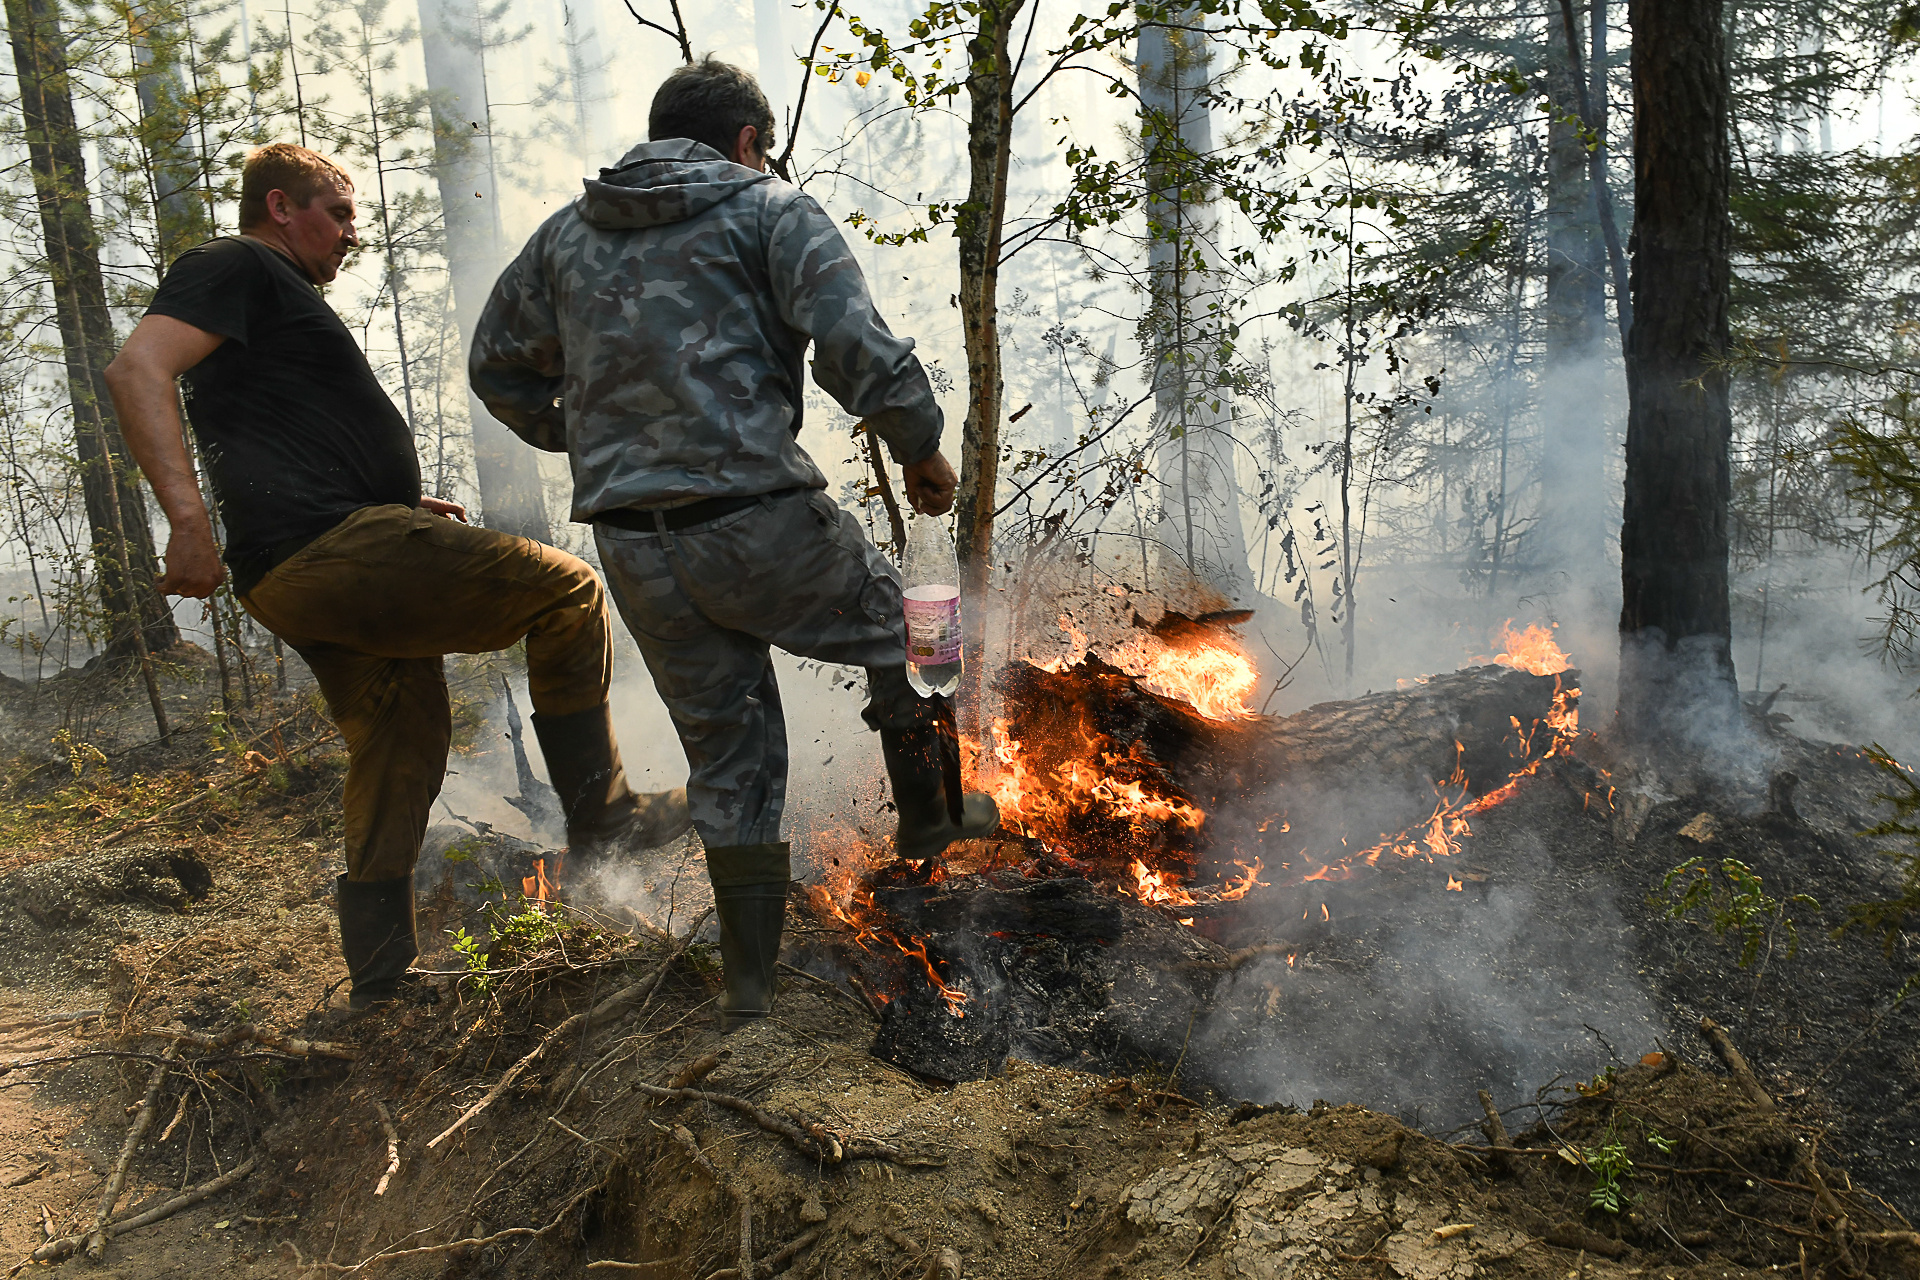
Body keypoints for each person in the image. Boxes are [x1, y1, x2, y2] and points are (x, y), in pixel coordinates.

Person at [471, 59, 999, 1028]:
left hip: (633, 546)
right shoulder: (769, 210)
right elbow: (854, 345)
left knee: (731, 757)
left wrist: (592, 435)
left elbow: (495, 368)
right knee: (921, 621)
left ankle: (750, 983)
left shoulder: (564, 238)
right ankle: (933, 814)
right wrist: (921, 445)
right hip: (754, 519)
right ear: (750, 140)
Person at [104, 143, 689, 1011]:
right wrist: (187, 523)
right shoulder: (233, 266)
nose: (350, 233)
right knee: (566, 591)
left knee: (402, 741)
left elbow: (277, 425)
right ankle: (604, 817)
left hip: (309, 559)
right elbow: (135, 368)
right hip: (330, 549)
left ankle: (380, 976)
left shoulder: (279, 299)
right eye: (336, 213)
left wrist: (395, 497)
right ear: (279, 207)